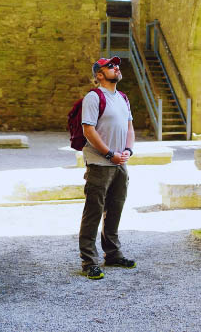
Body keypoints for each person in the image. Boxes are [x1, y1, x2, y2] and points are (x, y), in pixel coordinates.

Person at [78, 56, 136, 280]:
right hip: (100, 163)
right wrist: (109, 154)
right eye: (110, 66)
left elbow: (130, 127)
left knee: (115, 208)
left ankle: (112, 253)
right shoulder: (94, 97)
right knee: (93, 211)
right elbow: (88, 131)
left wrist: (127, 151)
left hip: (120, 163)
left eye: (116, 65)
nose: (116, 68)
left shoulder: (122, 98)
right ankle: (89, 261)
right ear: (99, 75)